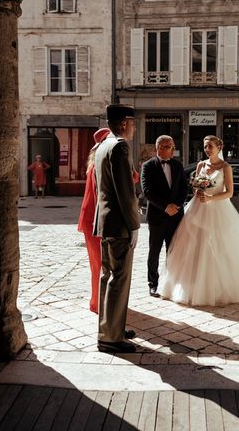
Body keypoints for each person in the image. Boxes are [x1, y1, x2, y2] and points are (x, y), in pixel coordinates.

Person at [157, 135, 239, 306]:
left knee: (216, 248)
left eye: (210, 146)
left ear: (219, 148)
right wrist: (198, 190)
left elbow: (229, 192)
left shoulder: (225, 167)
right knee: (193, 245)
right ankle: (190, 286)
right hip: (198, 208)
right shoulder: (200, 165)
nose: (207, 149)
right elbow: (196, 186)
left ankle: (215, 288)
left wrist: (211, 198)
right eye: (205, 146)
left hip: (218, 209)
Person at [93, 104, 140, 353]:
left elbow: (101, 189)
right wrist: (134, 225)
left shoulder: (102, 146)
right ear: (123, 123)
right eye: (132, 123)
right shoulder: (120, 146)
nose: (134, 128)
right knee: (119, 279)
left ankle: (111, 328)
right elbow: (126, 192)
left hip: (105, 223)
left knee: (107, 278)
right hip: (119, 225)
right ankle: (110, 338)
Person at [140, 135, 188, 298]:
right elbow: (147, 192)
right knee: (154, 251)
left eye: (173, 146)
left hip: (176, 216)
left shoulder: (177, 165)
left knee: (173, 251)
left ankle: (172, 282)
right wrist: (165, 207)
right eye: (169, 147)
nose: (173, 150)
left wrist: (178, 205)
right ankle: (153, 284)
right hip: (157, 217)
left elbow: (184, 188)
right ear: (159, 147)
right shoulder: (148, 166)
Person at [77, 127, 111, 314]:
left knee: (97, 263)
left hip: (91, 218)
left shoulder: (93, 164)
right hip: (96, 219)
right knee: (100, 263)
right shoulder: (101, 164)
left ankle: (97, 301)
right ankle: (99, 303)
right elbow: (133, 178)